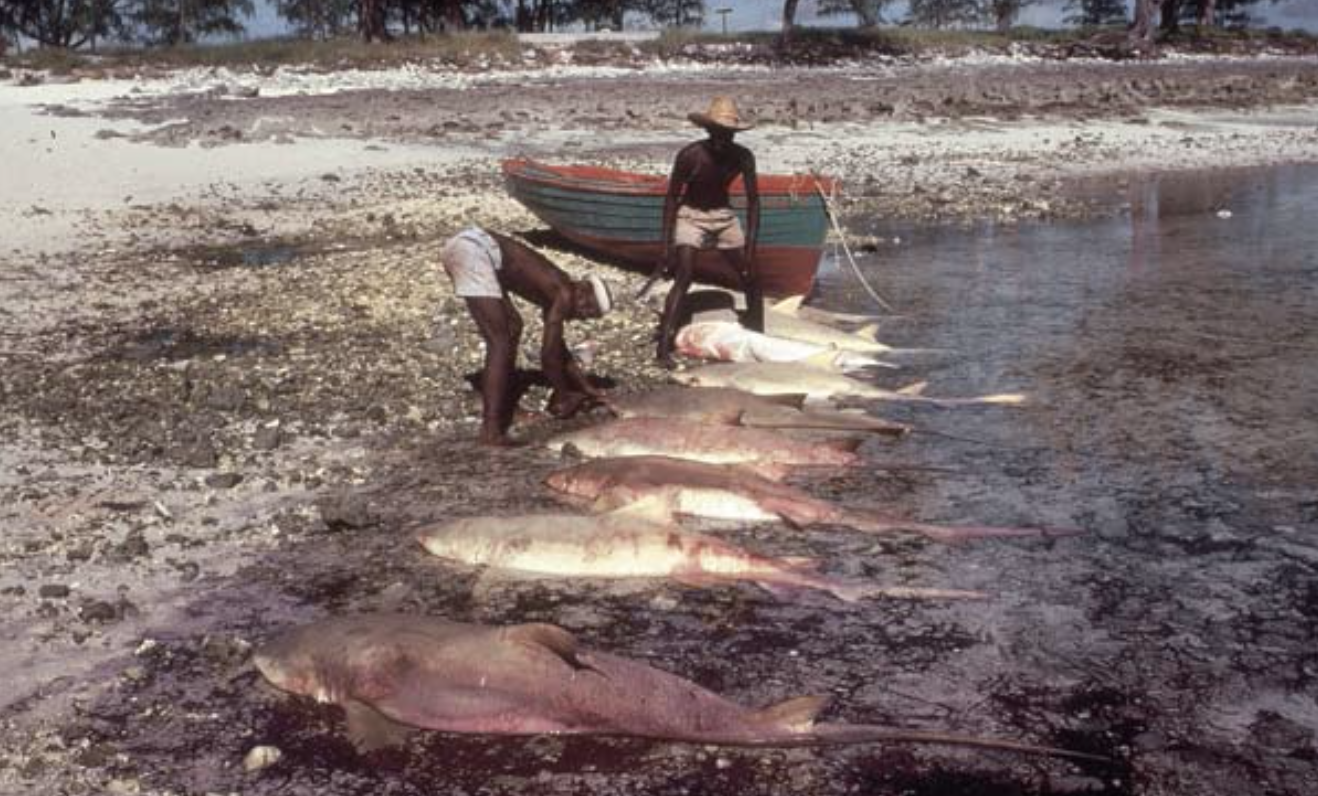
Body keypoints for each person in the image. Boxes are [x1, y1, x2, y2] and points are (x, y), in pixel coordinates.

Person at [439, 227, 613, 446]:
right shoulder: (564, 293)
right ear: (582, 289)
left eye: (587, 316)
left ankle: (505, 407)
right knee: (499, 341)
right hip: (474, 250)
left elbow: (558, 348)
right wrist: (562, 394)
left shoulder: (556, 291)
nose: (581, 314)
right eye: (587, 308)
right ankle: (491, 431)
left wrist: (585, 386)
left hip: (471, 247)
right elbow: (548, 356)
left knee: (512, 327)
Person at [654, 96, 764, 369]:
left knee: (751, 276)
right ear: (708, 131)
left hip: (723, 216)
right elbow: (671, 199)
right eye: (717, 133)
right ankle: (663, 346)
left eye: (727, 135)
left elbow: (754, 202)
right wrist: (666, 247)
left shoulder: (742, 157)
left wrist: (750, 249)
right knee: (685, 274)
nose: (722, 140)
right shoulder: (690, 155)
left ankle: (759, 336)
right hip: (691, 214)